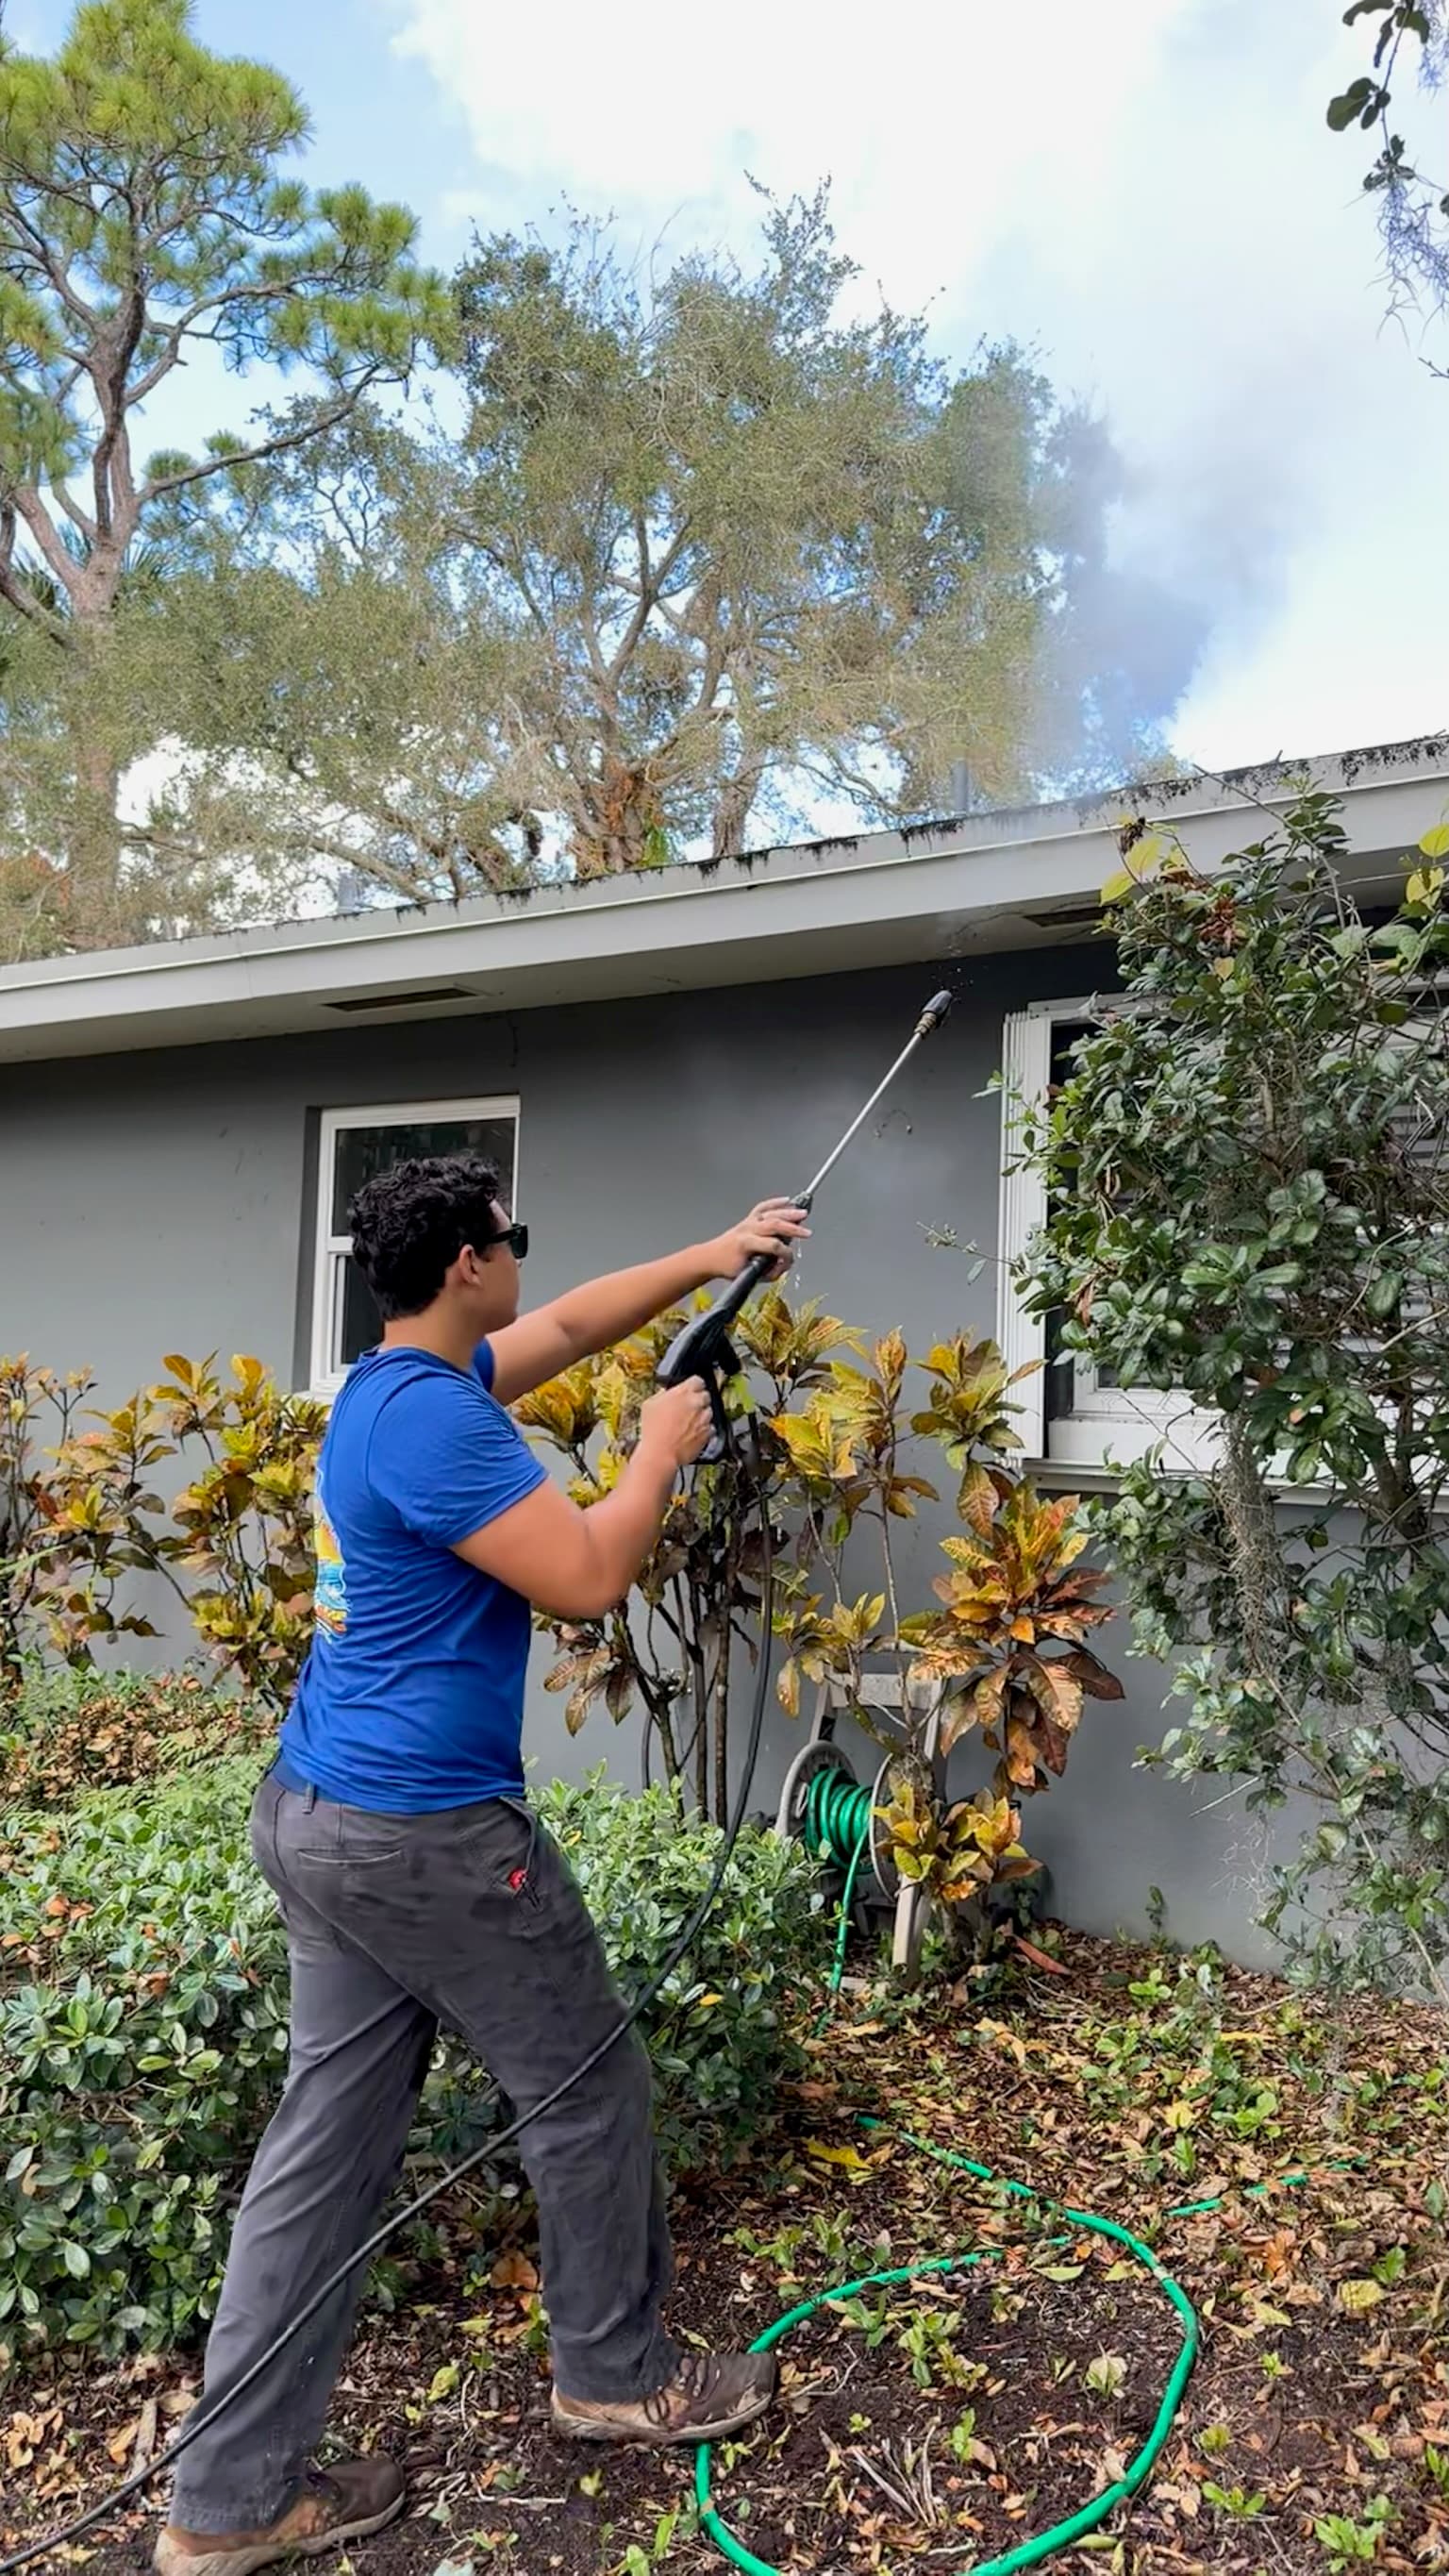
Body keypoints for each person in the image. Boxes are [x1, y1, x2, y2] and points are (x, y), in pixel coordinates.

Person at [155, 1159, 810, 2576]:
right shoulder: (441, 1430)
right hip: (426, 1835)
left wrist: (713, 1255)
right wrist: (657, 1454)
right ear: (465, 1262)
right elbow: (582, 1576)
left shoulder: (391, 1384)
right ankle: (615, 2375)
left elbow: (569, 1323)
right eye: (509, 1237)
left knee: (322, 2153)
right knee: (587, 2083)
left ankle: (227, 2504)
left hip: (327, 1813)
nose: (523, 1255)